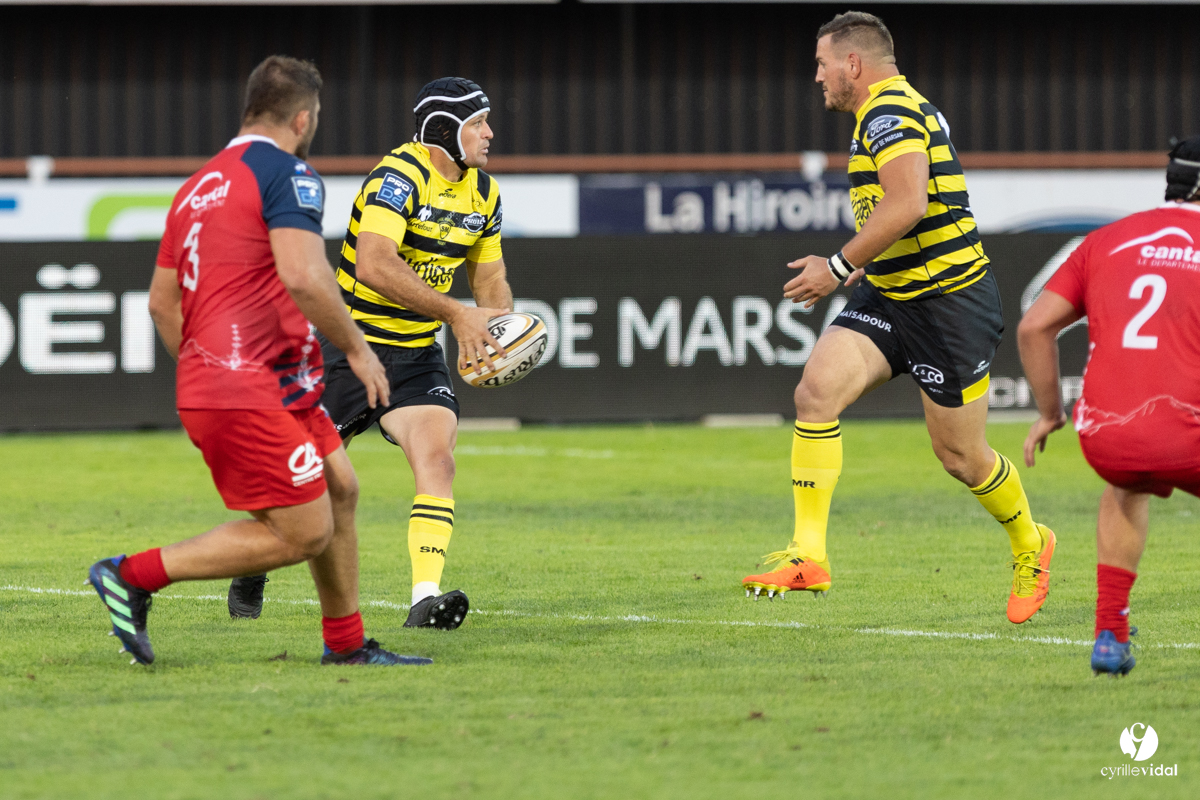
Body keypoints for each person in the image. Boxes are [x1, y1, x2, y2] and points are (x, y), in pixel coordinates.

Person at [88, 55, 430, 667]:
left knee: (341, 488)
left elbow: (162, 305)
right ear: (303, 118)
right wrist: (356, 349)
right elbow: (304, 274)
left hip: (261, 382)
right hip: (251, 384)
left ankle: (346, 646)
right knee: (305, 533)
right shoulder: (289, 174)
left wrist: (201, 370)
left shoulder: (197, 186)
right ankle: (130, 575)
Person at [741, 11, 1056, 624]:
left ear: (852, 64)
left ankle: (1031, 542)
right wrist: (860, 265)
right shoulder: (882, 113)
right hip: (891, 294)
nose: (817, 77)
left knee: (962, 459)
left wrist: (836, 265)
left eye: (821, 64)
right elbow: (901, 213)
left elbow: (908, 202)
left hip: (948, 306)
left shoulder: (889, 113)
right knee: (815, 393)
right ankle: (809, 555)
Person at [228, 77, 511, 631]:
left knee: (438, 459)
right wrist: (457, 316)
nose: (489, 133)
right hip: (350, 348)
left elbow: (492, 277)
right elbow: (374, 265)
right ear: (443, 131)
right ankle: (254, 562)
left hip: (414, 356)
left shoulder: (486, 193)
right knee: (300, 474)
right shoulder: (397, 178)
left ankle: (424, 600)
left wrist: (495, 334)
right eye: (477, 123)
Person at [1019, 136, 1200, 675]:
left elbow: (1034, 326)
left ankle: (1109, 635)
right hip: (1188, 430)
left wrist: (1050, 413)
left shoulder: (1107, 240)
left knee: (1125, 486)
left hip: (1108, 437)